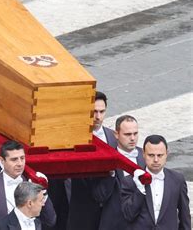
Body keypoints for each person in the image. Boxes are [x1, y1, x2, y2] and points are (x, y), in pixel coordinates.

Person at [0, 140, 55, 230]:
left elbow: (50, 221)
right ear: (2, 161)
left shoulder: (32, 185)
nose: (20, 164)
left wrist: (43, 190)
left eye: (22, 158)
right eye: (14, 159)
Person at [64, 91, 116, 230]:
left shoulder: (112, 137)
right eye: (94, 112)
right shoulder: (74, 138)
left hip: (107, 211)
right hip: (81, 211)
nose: (98, 117)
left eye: (102, 111)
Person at [121, 135, 191, 230]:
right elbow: (128, 215)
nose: (156, 160)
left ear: (167, 154)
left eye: (160, 155)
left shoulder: (177, 180)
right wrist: (140, 190)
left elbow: (184, 215)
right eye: (151, 155)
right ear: (143, 154)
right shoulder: (130, 181)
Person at [92, 115, 145, 230]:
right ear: (116, 135)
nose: (132, 138)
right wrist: (110, 174)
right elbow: (99, 196)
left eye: (135, 133)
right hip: (114, 224)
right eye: (127, 134)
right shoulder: (106, 160)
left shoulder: (146, 157)